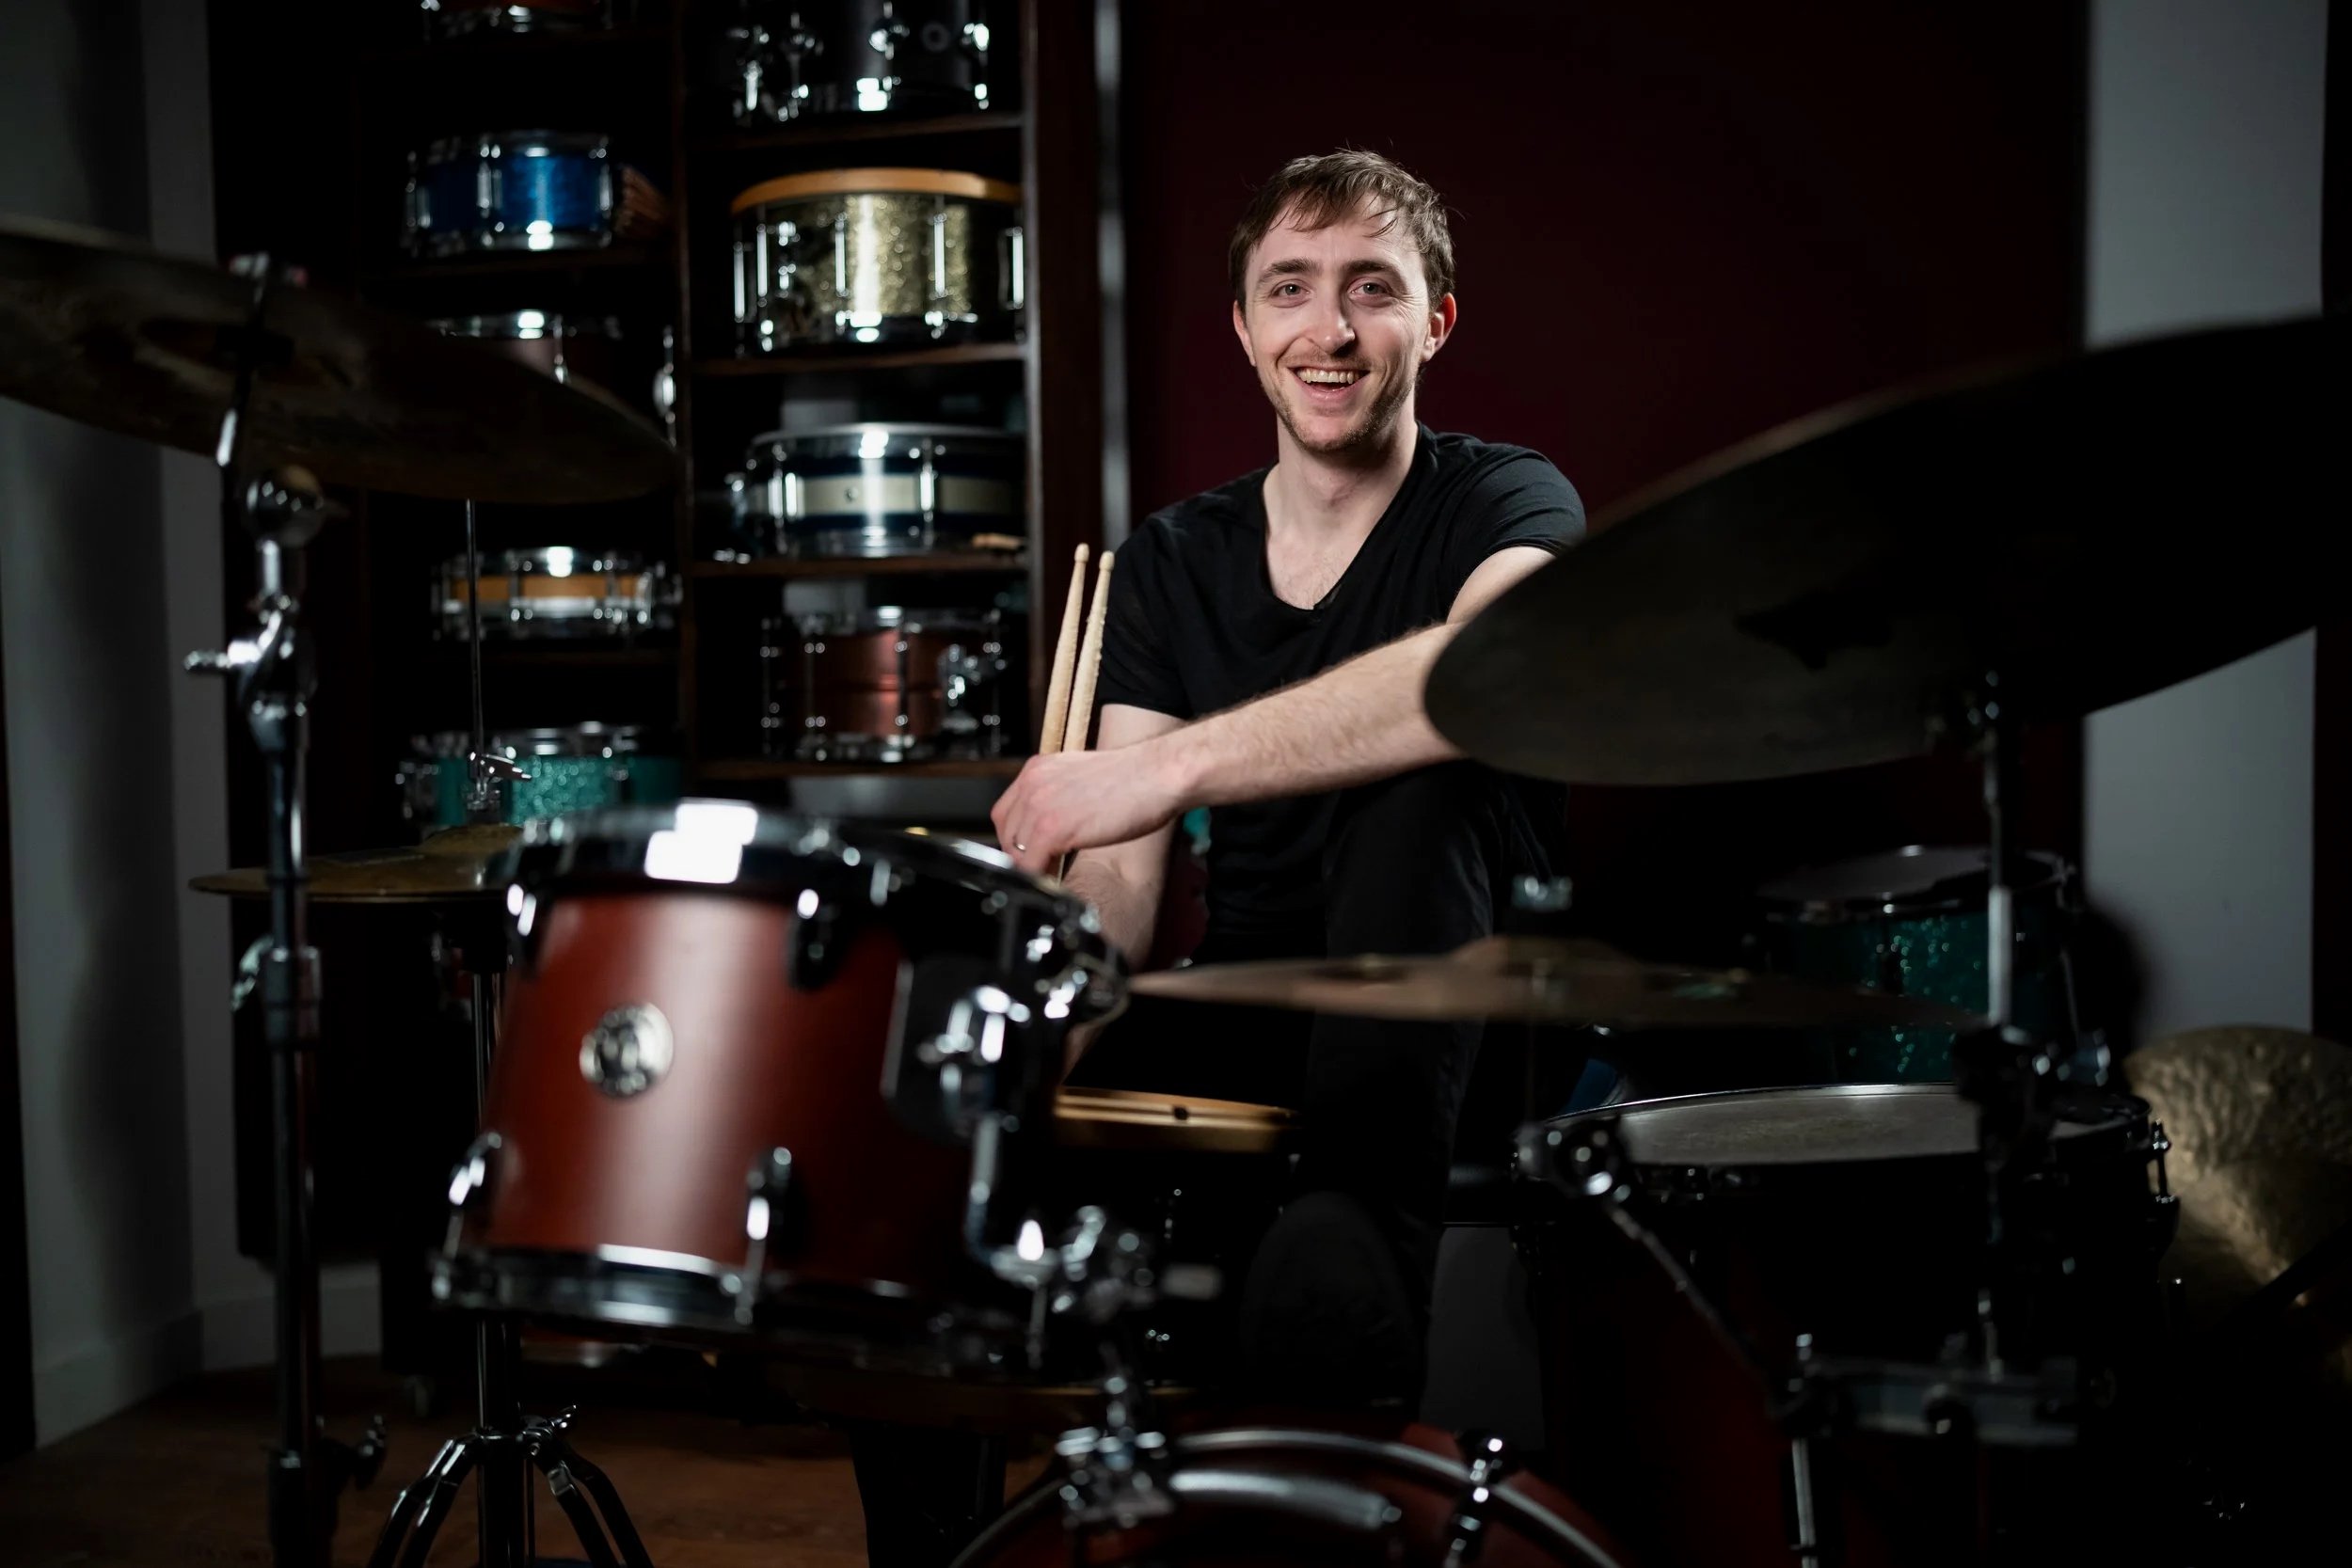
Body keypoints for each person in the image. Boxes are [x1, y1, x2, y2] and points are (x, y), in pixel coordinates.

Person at [991, 148, 1585, 1408]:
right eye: (1291, 290)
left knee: (1431, 773)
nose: (1331, 329)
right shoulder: (1169, 560)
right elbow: (1124, 883)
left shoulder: (1509, 500)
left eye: (1374, 289)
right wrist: (1050, 1037)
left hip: (1464, 1022)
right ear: (1245, 330)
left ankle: (1349, 1285)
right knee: (957, 1191)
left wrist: (1161, 770)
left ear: (1437, 322)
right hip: (1250, 1005)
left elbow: (1476, 676)